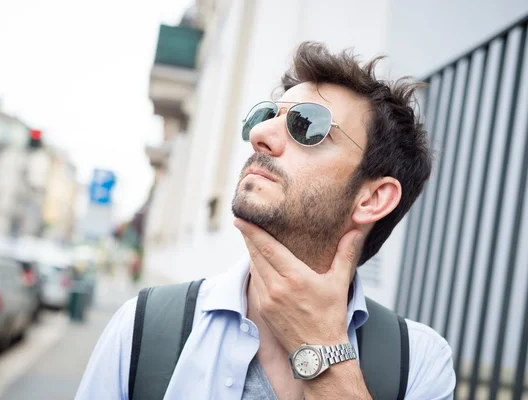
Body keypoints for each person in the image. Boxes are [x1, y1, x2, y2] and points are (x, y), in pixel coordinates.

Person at [75, 42, 456, 400]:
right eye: (266, 116)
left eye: (307, 125)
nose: (260, 134)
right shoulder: (143, 328)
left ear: (372, 198)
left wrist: (323, 349)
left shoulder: (419, 364)